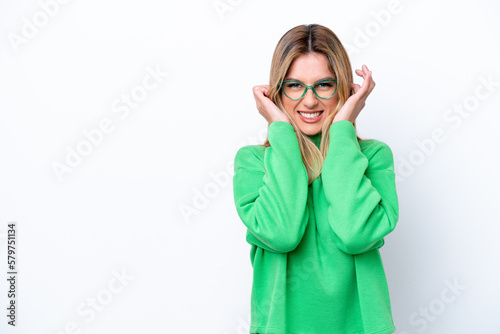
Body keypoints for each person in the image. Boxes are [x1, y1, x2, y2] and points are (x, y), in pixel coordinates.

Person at [232, 23, 399, 334]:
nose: (309, 101)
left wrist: (342, 130)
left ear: (347, 90)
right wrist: (280, 130)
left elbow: (356, 234)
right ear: (276, 91)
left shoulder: (373, 158)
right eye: (294, 85)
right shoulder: (254, 163)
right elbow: (282, 234)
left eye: (324, 85)